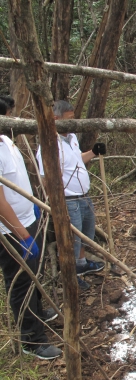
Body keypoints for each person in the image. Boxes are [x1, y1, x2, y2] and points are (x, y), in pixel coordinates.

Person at [0, 99, 62, 360]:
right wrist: (23, 235)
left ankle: (36, 313)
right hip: (12, 231)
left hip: (28, 219)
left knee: (34, 273)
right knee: (21, 282)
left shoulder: (7, 141)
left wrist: (33, 208)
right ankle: (31, 340)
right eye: (8, 116)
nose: (13, 120)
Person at [36, 100, 106, 291]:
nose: (72, 123)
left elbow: (77, 161)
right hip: (68, 200)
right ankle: (70, 277)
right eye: (69, 119)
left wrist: (93, 152)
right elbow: (46, 178)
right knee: (71, 240)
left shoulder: (72, 137)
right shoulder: (49, 144)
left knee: (85, 235)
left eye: (73, 118)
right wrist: (57, 202)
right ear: (55, 119)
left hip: (84, 196)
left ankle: (81, 264)